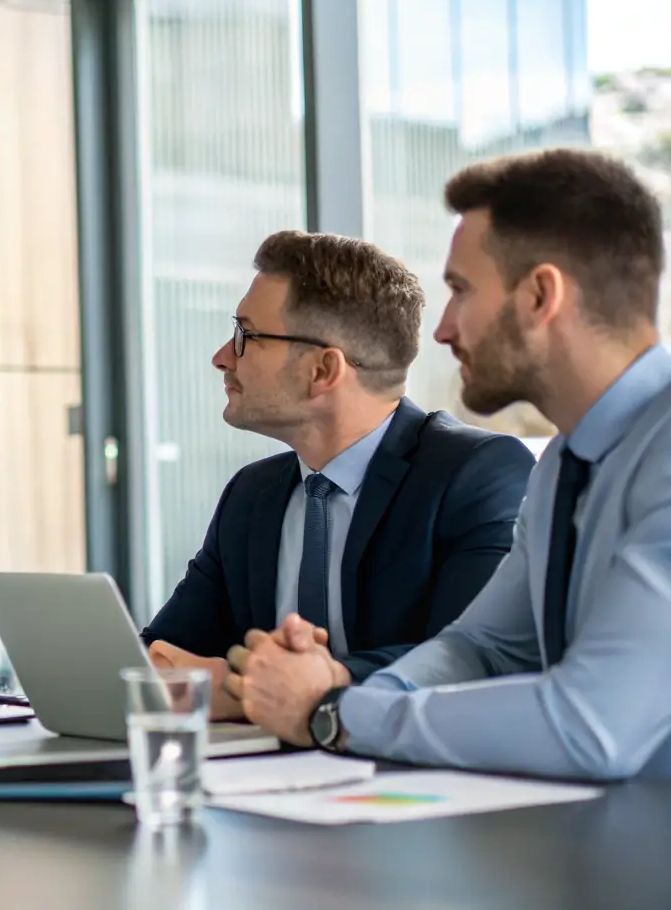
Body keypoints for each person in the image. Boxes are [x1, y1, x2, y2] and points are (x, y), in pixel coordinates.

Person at [228, 148, 671, 781]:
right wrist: (345, 699)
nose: (442, 329)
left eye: (461, 290)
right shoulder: (565, 463)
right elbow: (485, 646)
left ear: (541, 294)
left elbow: (590, 725)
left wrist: (336, 713)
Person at [142, 230, 535, 719]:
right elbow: (163, 654)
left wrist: (254, 689)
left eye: (246, 335)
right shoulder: (251, 495)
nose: (223, 356)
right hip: (261, 778)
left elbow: (468, 661)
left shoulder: (477, 474)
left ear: (323, 370)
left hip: (406, 777)